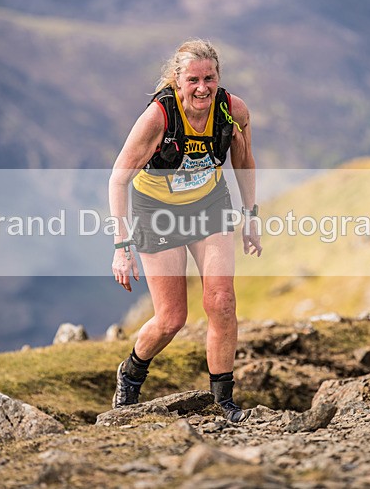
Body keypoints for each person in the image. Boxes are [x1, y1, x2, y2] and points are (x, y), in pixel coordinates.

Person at [108, 39, 262, 422]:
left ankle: (222, 401)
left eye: (209, 78)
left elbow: (244, 161)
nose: (202, 88)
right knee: (171, 318)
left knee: (222, 301)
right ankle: (130, 373)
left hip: (209, 206)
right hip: (156, 212)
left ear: (218, 77)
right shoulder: (158, 117)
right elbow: (117, 179)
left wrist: (251, 215)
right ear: (177, 81)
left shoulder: (233, 110)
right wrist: (121, 246)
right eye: (193, 79)